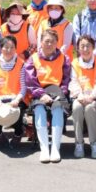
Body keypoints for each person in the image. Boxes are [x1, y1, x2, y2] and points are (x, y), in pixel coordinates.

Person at [24, 29, 71, 163]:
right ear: (41, 43)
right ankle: (44, 148)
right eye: (47, 41)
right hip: (39, 91)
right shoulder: (33, 59)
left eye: (53, 41)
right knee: (39, 110)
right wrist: (41, 94)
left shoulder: (64, 58)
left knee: (57, 109)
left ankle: (55, 148)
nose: (49, 44)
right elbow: (30, 81)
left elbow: (66, 80)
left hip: (58, 91)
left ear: (57, 43)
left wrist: (61, 92)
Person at [69, 35, 96, 159]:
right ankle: (79, 143)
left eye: (88, 46)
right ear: (78, 49)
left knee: (90, 108)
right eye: (82, 46)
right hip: (79, 96)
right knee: (76, 108)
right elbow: (73, 82)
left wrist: (91, 96)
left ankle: (94, 143)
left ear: (93, 47)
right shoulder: (74, 63)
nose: (85, 49)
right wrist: (80, 96)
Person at [0, 35, 27, 148]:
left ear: (16, 49)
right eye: (6, 47)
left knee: (17, 112)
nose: (9, 50)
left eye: (12, 47)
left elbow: (23, 87)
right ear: (1, 48)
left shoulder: (21, 64)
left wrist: (17, 99)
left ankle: (18, 133)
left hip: (16, 97)